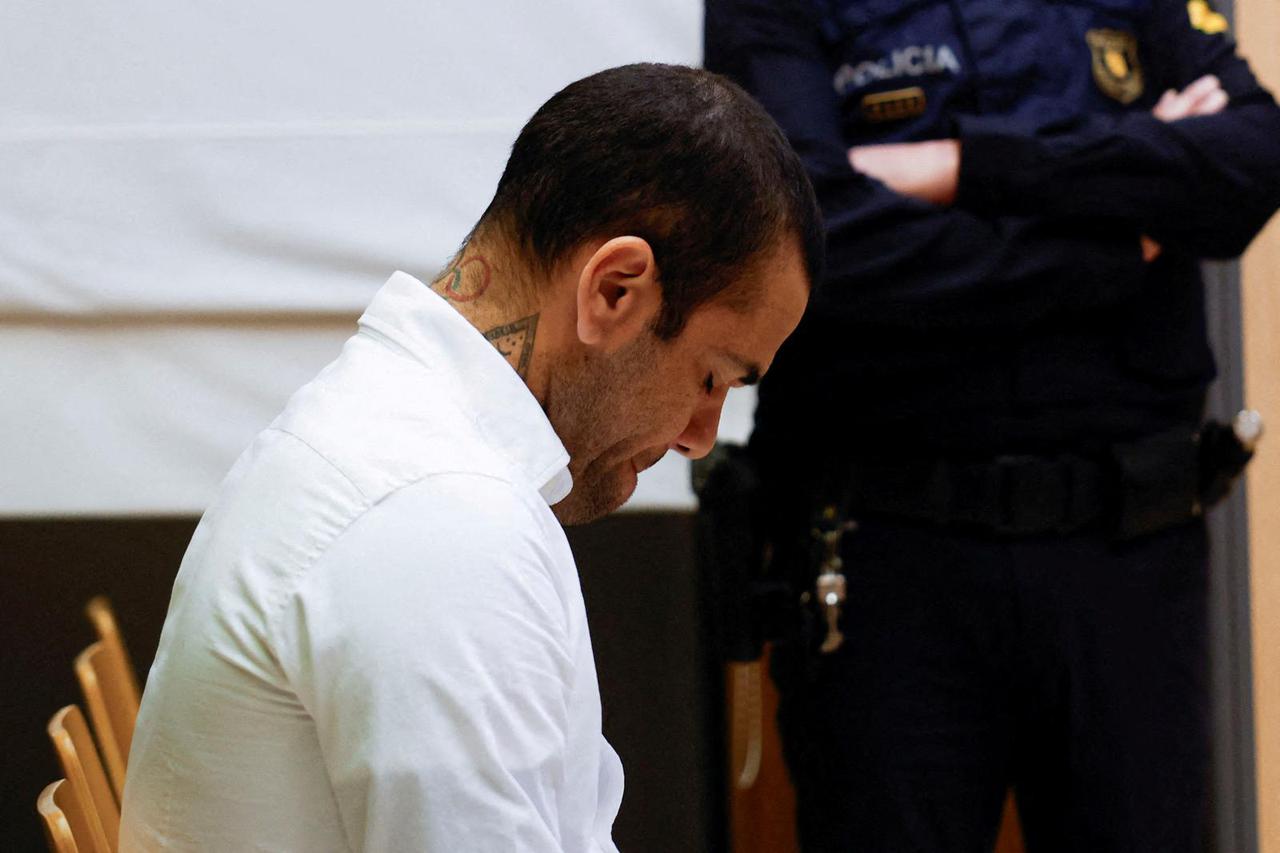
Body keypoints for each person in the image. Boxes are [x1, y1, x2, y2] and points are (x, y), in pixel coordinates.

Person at [119, 62, 822, 852]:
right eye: (713, 376)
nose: (701, 433)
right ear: (614, 290)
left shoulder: (398, 441)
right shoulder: (439, 517)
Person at [705, 1, 1280, 851]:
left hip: (1129, 553)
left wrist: (960, 165)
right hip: (886, 558)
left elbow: (1248, 160)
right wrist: (1116, 237)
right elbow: (809, 236)